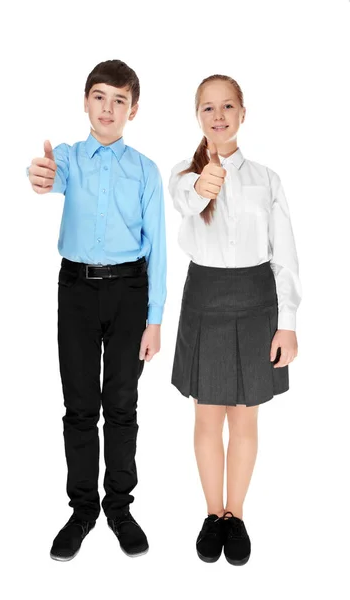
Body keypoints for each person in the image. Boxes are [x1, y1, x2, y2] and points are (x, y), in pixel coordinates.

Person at [27, 59, 167, 561]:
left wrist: (154, 318)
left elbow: (158, 249)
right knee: (80, 406)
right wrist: (39, 175)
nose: (109, 108)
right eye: (100, 96)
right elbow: (47, 175)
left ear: (133, 109)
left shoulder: (145, 170)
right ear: (86, 101)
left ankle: (119, 507)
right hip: (77, 291)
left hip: (131, 291)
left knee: (122, 406)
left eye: (120, 100)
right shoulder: (67, 158)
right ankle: (82, 509)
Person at [168, 74, 302, 566]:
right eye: (208, 108)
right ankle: (211, 514)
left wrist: (287, 320)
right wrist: (204, 182)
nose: (218, 115)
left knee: (246, 416)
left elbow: (284, 253)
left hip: (255, 298)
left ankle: (236, 516)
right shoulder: (183, 174)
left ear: (243, 113)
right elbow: (184, 200)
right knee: (207, 415)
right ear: (198, 116)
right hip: (204, 295)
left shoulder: (267, 179)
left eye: (227, 106)